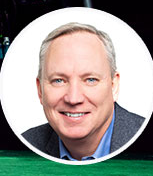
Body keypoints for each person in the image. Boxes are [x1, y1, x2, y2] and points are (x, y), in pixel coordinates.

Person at [22, 22, 144, 161]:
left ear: (113, 86)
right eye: (59, 80)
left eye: (90, 80)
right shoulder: (24, 146)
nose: (73, 99)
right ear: (40, 90)